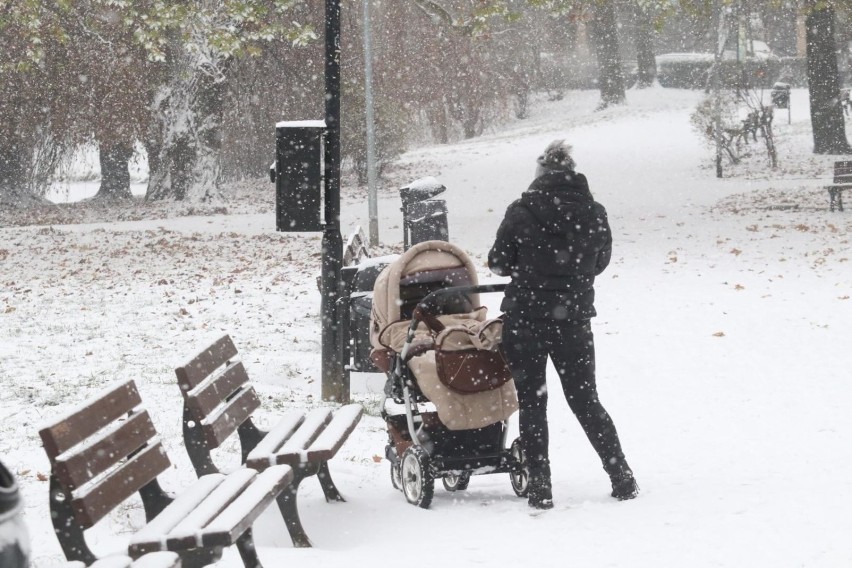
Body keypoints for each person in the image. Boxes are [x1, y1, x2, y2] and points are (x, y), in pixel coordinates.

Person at [488, 139, 638, 510]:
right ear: (571, 173)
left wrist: (531, 270)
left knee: (533, 404)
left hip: (526, 319)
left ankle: (541, 487)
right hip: (572, 321)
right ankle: (621, 477)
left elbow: (498, 262)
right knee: (586, 400)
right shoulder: (594, 212)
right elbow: (600, 262)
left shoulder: (521, 211)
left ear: (540, 176)